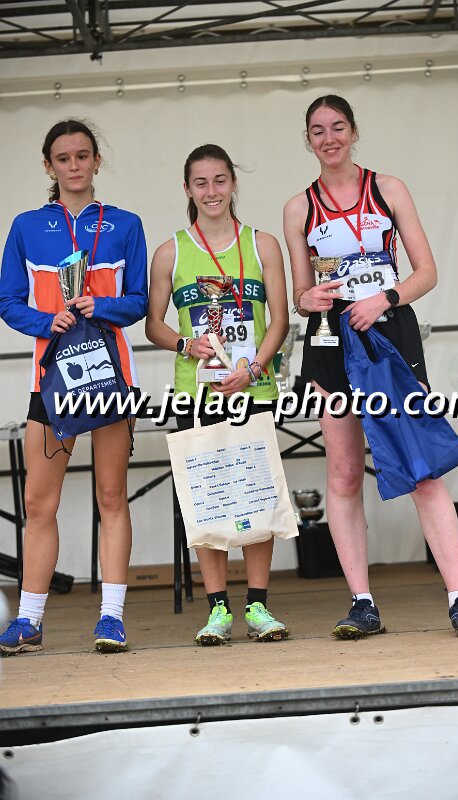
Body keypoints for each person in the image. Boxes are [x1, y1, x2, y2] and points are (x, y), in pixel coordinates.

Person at [283, 95, 458, 638]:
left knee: (421, 465)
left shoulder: (389, 188)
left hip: (389, 331)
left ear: (353, 132)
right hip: (330, 341)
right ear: (307, 140)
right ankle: (362, 603)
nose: (329, 138)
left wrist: (386, 298)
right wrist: (306, 300)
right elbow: (301, 291)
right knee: (344, 472)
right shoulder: (299, 207)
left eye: (338, 127)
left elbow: (427, 272)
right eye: (318, 130)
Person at [0, 119, 148, 654]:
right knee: (39, 503)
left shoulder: (125, 223)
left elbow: (140, 299)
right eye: (63, 158)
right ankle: (29, 621)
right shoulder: (26, 226)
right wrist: (48, 320)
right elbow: (7, 301)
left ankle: (111, 618)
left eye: (83, 155)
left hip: (110, 376)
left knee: (111, 495)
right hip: (51, 378)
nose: (74, 165)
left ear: (96, 161)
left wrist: (99, 306)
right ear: (49, 166)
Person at [146, 143, 290, 645]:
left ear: (233, 183)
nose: (212, 191)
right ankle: (218, 611)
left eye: (220, 180)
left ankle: (257, 606)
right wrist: (186, 343)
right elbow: (153, 324)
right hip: (197, 393)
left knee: (256, 495)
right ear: (188, 189)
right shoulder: (170, 252)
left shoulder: (263, 244)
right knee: (207, 500)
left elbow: (280, 320)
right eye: (201, 182)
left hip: (253, 387)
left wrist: (253, 368)